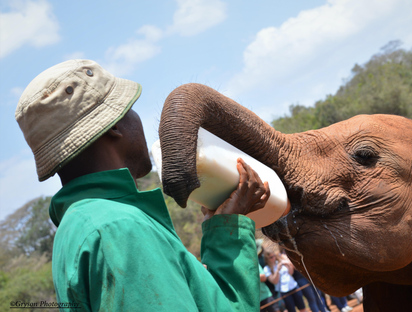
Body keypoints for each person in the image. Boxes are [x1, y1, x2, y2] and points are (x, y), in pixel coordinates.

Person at [15, 59, 271, 311]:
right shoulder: (119, 229)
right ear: (114, 126)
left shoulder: (80, 225)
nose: (138, 118)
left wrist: (223, 230)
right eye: (130, 109)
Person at [263, 247, 306, 312]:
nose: (273, 258)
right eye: (271, 257)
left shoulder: (280, 261)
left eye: (274, 256)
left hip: (294, 286)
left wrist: (288, 265)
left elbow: (291, 273)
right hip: (284, 292)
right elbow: (274, 281)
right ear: (267, 259)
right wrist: (277, 270)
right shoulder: (267, 269)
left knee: (302, 308)